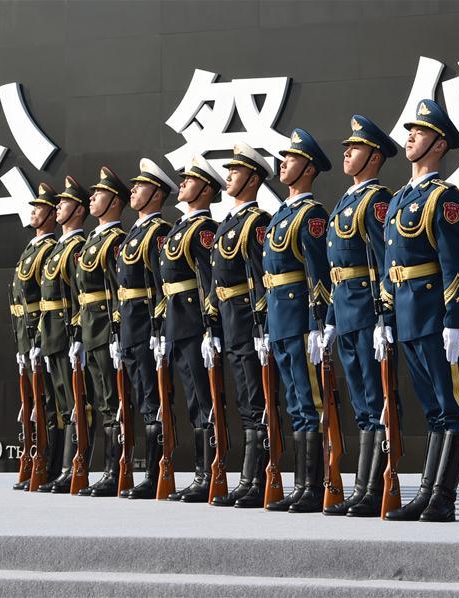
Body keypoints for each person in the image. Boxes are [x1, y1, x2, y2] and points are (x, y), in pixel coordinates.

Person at [379, 99, 459, 522]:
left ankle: (443, 498)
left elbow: (454, 264)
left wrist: (454, 319)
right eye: (410, 131)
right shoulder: (399, 200)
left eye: (419, 132)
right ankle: (425, 494)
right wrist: (384, 317)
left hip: (434, 314)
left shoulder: (444, 197)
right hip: (405, 315)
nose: (410, 137)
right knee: (432, 408)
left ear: (439, 144)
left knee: (453, 407)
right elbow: (387, 266)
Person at [322, 115, 397, 517]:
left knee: (375, 397)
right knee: (361, 403)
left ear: (374, 157)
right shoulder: (346, 202)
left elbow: (386, 264)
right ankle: (363, 487)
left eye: (355, 148)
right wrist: (332, 318)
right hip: (348, 313)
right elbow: (337, 271)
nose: (347, 153)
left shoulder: (376, 202)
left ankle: (375, 487)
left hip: (368, 315)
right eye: (348, 147)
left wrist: (385, 318)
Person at [261, 129, 332, 513]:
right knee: (294, 403)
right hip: (279, 318)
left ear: (308, 168)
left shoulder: (311, 215)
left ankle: (316, 485)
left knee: (310, 401)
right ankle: (302, 484)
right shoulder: (281, 215)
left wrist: (317, 323)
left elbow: (317, 274)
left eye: (291, 158)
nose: (282, 163)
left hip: (300, 318)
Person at [207, 144, 273, 509]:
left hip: (248, 319)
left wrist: (262, 324)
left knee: (256, 398)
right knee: (244, 399)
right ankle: (248, 479)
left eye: (237, 170)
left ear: (253, 178)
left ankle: (258, 477)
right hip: (230, 319)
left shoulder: (257, 222)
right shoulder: (228, 223)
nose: (229, 176)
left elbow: (259, 278)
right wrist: (212, 323)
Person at [158, 155, 222, 503]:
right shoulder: (179, 229)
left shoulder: (204, 231)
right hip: (177, 323)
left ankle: (210, 471)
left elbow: (207, 282)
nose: (182, 183)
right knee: (193, 401)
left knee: (205, 398)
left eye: (191, 179)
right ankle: (200, 472)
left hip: (195, 323)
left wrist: (211, 328)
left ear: (207, 190)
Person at [117, 158, 175, 499]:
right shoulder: (134, 234)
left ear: (155, 194)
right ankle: (149, 474)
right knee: (141, 400)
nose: (133, 191)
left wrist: (158, 329)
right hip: (129, 325)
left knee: (154, 401)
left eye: (140, 187)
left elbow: (159, 285)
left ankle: (157, 474)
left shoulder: (157, 234)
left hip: (145, 325)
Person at [33, 176, 91, 494]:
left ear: (79, 211)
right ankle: (58, 467)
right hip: (52, 333)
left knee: (74, 403)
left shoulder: (78, 248)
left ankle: (73, 467)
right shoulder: (59, 249)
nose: (58, 207)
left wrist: (77, 334)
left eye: (64, 203)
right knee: (58, 405)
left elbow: (79, 296)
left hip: (67, 333)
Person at [73, 167, 127, 497]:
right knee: (101, 402)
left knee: (112, 399)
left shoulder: (115, 241)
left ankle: (115, 468)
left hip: (107, 329)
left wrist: (117, 332)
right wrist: (78, 334)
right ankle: (106, 469)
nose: (92, 197)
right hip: (91, 329)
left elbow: (116, 290)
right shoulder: (93, 240)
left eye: (99, 194)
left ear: (115, 202)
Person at [9, 183, 59, 490]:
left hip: (39, 334)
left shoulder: (49, 249)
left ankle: (50, 465)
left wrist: (39, 338)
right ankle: (35, 461)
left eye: (40, 208)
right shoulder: (32, 248)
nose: (34, 212)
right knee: (32, 402)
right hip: (23, 335)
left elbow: (47, 299)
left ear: (53, 214)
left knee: (49, 402)